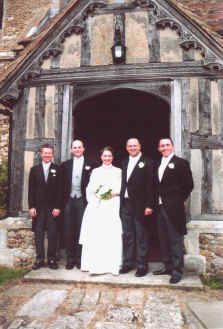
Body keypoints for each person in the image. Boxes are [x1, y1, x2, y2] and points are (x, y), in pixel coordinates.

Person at [153, 138, 194, 284]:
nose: (165, 148)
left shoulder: (181, 163)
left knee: (175, 239)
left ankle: (177, 271)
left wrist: (178, 199)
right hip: (159, 207)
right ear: (159, 148)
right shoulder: (157, 164)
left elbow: (188, 185)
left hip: (174, 208)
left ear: (172, 146)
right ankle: (168, 266)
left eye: (167, 145)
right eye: (162, 146)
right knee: (163, 238)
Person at [79, 146, 122, 275]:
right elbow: (90, 189)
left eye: (109, 156)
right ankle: (95, 264)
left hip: (112, 205)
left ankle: (112, 265)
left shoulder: (118, 171)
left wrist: (111, 195)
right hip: (99, 205)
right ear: (101, 157)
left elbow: (121, 188)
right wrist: (98, 197)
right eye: (105, 156)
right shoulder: (96, 172)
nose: (107, 158)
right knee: (98, 234)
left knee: (111, 234)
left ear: (112, 157)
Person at [119, 138, 155, 277]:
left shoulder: (148, 162)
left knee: (141, 236)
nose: (132, 148)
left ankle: (142, 265)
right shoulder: (124, 162)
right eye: (130, 146)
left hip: (141, 205)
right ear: (127, 148)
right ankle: (128, 263)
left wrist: (149, 205)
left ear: (140, 146)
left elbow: (151, 186)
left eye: (135, 145)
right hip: (126, 204)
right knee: (128, 235)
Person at [60, 139, 95, 270]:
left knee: (82, 229)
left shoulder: (91, 164)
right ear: (71, 150)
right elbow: (61, 186)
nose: (77, 149)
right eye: (74, 147)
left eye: (79, 147)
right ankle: (70, 258)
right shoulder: (65, 165)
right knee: (68, 229)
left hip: (82, 200)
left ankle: (80, 259)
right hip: (69, 200)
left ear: (84, 149)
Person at [28, 144, 61, 270]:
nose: (47, 155)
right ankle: (39, 259)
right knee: (39, 233)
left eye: (49, 153)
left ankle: (52, 259)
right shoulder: (34, 170)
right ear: (41, 154)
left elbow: (60, 190)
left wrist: (58, 207)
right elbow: (31, 190)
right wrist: (31, 206)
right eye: (45, 153)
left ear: (52, 154)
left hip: (53, 208)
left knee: (53, 233)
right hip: (39, 208)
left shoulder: (57, 169)